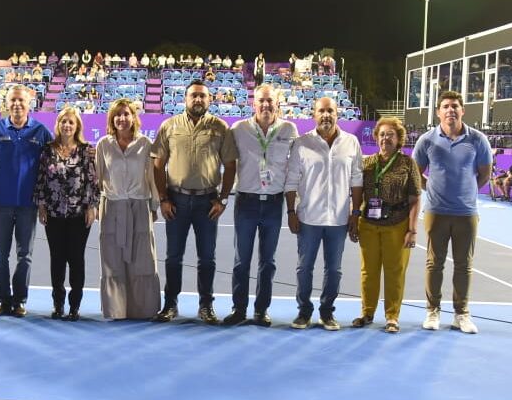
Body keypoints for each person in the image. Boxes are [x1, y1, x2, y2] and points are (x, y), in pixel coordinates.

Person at [151, 80, 239, 324]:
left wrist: (222, 199)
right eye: (193, 96)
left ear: (210, 99)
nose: (198, 100)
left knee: (207, 258)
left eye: (202, 96)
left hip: (207, 201)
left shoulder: (220, 128)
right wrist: (163, 198)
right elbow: (157, 165)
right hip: (176, 200)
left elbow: (231, 166)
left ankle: (206, 306)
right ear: (185, 99)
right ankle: (170, 305)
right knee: (173, 257)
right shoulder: (169, 126)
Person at [411, 90, 493, 334]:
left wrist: (467, 192)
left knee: (463, 265)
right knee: (434, 264)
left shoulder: (478, 140)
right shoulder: (426, 140)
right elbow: (416, 173)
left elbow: (485, 174)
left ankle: (461, 314)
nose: (450, 110)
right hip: (436, 211)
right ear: (438, 112)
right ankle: (432, 311)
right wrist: (432, 189)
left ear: (462, 110)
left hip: (466, 213)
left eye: (455, 106)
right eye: (445, 106)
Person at [285, 96, 364, 331]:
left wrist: (356, 212)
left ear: (337, 114)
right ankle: (304, 312)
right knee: (304, 268)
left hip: (339, 220)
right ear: (314, 115)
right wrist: (291, 211)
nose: (326, 115)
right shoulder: (301, 143)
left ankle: (327, 312)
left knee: (334, 270)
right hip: (308, 218)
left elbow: (356, 181)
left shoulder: (351, 143)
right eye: (321, 111)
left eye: (330, 110)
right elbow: (291, 181)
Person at [223, 85, 299, 327]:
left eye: (270, 101)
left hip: (274, 204)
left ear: (278, 104)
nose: (266, 105)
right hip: (246, 202)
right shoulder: (239, 129)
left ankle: (261, 310)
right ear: (253, 104)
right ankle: (239, 309)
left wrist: (292, 207)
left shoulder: (289, 129)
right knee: (241, 260)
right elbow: (226, 160)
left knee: (268, 261)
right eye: (261, 102)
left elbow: (296, 169)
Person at [0, 85, 54, 317]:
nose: (17, 104)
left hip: (28, 204)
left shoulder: (40, 131)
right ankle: (3, 300)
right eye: (13, 100)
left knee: (24, 255)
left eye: (21, 101)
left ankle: (20, 301)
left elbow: (54, 162)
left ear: (29, 104)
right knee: (0, 255)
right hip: (2, 203)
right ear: (7, 103)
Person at [353, 118, 421, 334]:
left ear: (399, 138)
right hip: (368, 225)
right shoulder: (368, 163)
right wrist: (354, 219)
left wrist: (412, 229)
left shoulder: (408, 164)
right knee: (368, 272)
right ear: (376, 138)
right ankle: (367, 313)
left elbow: (415, 198)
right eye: (382, 134)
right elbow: (357, 194)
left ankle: (392, 316)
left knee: (394, 272)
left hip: (397, 225)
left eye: (390, 134)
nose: (385, 138)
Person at [95, 98, 161, 320]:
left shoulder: (145, 144)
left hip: (139, 207)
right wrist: (94, 206)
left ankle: (143, 309)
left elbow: (151, 176)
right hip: (112, 209)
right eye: (118, 115)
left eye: (126, 114)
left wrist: (154, 203)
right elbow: (98, 177)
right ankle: (117, 310)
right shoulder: (103, 144)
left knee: (142, 261)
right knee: (113, 261)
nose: (122, 118)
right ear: (112, 119)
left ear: (134, 117)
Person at [33, 106, 99, 321]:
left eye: (71, 122)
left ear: (77, 126)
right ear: (58, 124)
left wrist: (92, 206)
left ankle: (74, 306)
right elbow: (41, 179)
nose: (67, 125)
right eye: (64, 121)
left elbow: (92, 181)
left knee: (76, 259)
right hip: (53, 213)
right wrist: (41, 205)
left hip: (79, 214)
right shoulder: (47, 150)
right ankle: (58, 304)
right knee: (57, 259)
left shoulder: (85, 150)